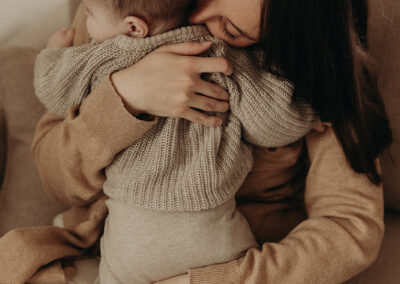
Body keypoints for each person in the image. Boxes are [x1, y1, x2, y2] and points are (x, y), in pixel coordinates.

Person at [31, 0, 392, 283]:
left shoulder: (317, 69)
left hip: (244, 259)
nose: (199, 17)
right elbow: (56, 181)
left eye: (230, 28)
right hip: (111, 237)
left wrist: (216, 280)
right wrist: (125, 97)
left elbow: (349, 225)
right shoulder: (119, 9)